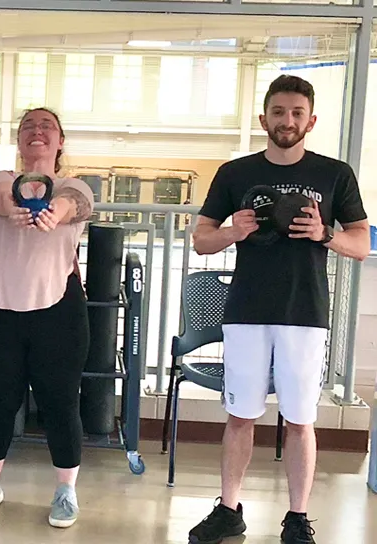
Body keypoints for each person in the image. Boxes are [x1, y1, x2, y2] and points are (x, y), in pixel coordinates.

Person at [189, 74, 369, 544]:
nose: (286, 121)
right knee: (240, 415)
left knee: (299, 418)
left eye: (295, 113)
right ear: (263, 118)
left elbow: (361, 243)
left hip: (305, 312)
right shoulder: (235, 173)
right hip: (247, 310)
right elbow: (202, 239)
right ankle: (229, 510)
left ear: (310, 120)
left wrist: (325, 234)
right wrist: (233, 231)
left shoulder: (334, 174)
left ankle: (297, 516)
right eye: (278, 112)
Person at [0, 107, 93, 528]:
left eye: (47, 127)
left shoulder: (74, 186)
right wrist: (14, 205)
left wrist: (55, 209)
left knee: (60, 404)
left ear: (60, 142)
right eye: (28, 127)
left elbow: (77, 203)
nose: (37, 132)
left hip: (59, 312)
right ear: (19, 141)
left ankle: (66, 491)